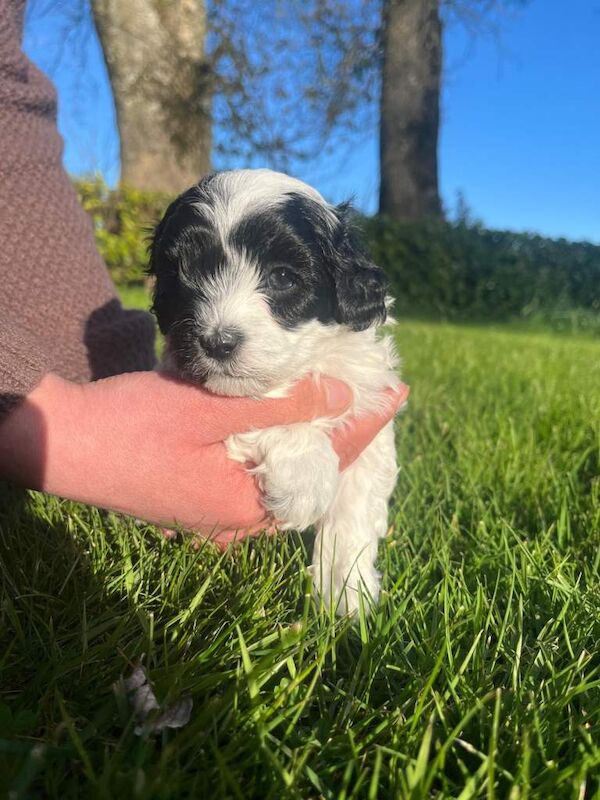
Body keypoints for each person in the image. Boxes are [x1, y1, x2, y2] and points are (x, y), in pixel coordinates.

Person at [0, 0, 408, 544]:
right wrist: (289, 442)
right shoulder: (197, 348)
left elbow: (368, 457)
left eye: (283, 280)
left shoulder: (359, 361)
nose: (219, 323)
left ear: (346, 291)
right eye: (191, 278)